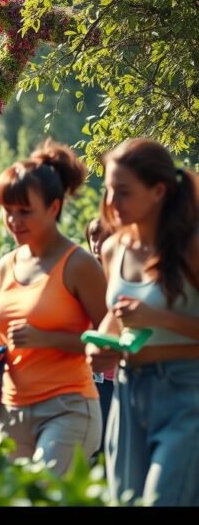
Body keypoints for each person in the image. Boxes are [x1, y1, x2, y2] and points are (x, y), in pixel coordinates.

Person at [0, 139, 107, 477]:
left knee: (47, 497)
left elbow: (113, 340)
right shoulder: (6, 265)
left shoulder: (78, 264)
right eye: (8, 210)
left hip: (68, 409)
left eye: (25, 211)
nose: (13, 221)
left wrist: (47, 338)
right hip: (10, 410)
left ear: (53, 208)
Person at [86, 139, 199, 505]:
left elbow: (146, 315)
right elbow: (116, 318)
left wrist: (157, 318)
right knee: (127, 501)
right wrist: (100, 344)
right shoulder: (112, 248)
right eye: (107, 190)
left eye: (123, 192)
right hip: (127, 391)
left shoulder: (191, 247)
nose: (110, 203)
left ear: (158, 191)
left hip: (186, 392)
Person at [84, 217, 115, 461]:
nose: (97, 244)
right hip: (91, 371)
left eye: (104, 237)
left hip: (115, 371)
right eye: (94, 237)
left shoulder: (120, 275)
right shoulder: (83, 275)